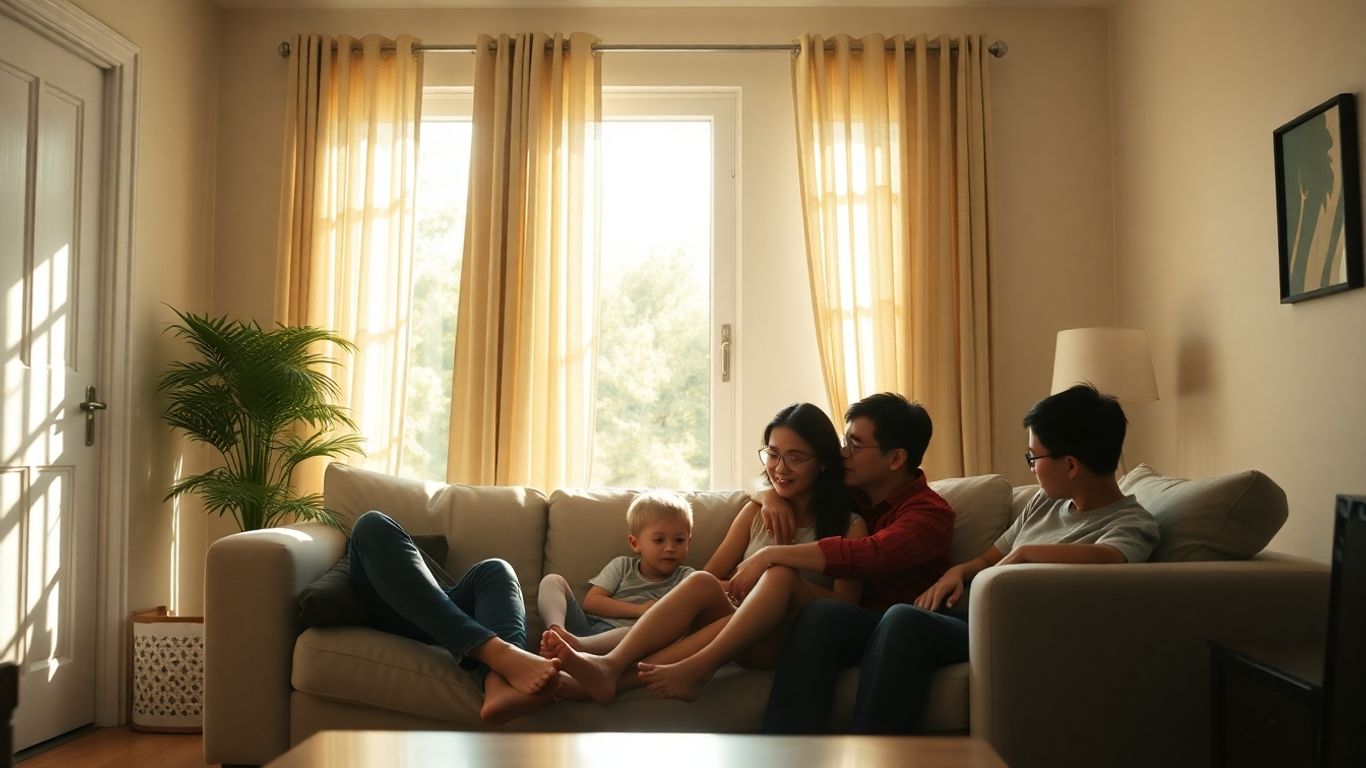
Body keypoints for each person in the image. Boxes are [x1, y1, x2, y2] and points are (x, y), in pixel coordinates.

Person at [763, 383, 1160, 734]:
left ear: (1070, 465)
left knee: (902, 617)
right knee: (824, 615)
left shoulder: (1132, 522)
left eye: (1033, 458)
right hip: (959, 613)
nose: (1032, 469)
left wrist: (1026, 555)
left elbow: (1112, 559)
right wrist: (960, 569)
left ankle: (875, 758)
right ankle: (784, 756)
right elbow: (990, 556)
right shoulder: (1045, 503)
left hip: (996, 626)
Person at [543, 402, 868, 704]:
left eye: (795, 458)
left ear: (823, 462)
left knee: (779, 574)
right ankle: (610, 666)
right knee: (700, 581)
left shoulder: (849, 525)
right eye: (772, 455)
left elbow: (845, 608)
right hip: (735, 631)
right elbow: (712, 578)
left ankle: (678, 671)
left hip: (786, 639)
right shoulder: (754, 513)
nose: (780, 468)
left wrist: (773, 581)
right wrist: (764, 504)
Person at [347, 510, 558, 725]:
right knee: (370, 523)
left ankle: (498, 686)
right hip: (397, 608)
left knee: (495, 568)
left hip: (440, 602)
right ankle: (499, 653)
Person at [537, 491, 696, 655]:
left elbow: (710, 592)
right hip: (588, 628)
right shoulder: (622, 566)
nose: (670, 548)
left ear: (688, 542)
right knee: (552, 581)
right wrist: (640, 610)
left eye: (679, 540)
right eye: (659, 540)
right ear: (635, 543)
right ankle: (556, 634)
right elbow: (592, 603)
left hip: (624, 645)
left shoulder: (687, 578)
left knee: (634, 632)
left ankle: (575, 647)